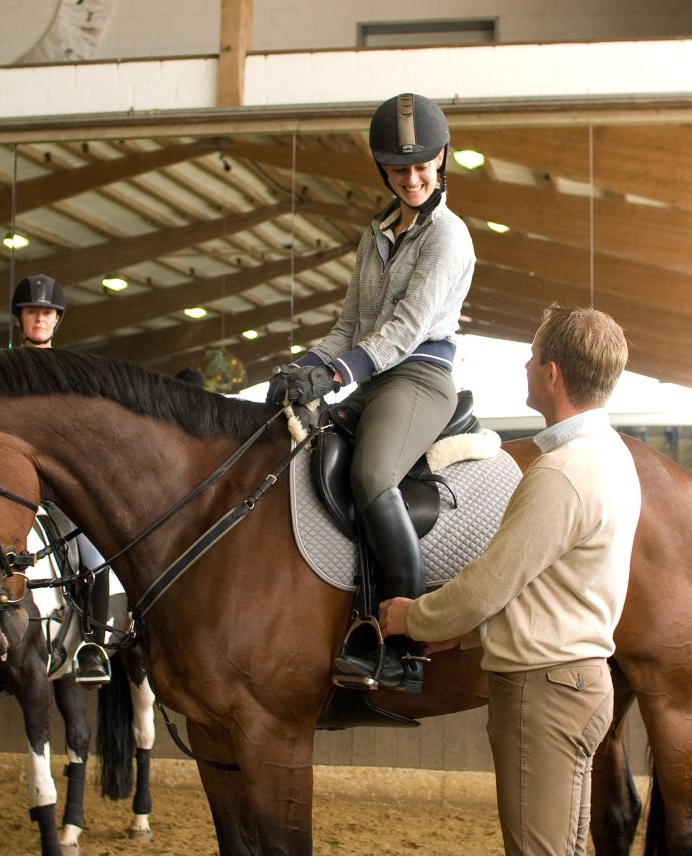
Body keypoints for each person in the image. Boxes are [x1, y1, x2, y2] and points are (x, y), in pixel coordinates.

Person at [381, 305, 641, 856]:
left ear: (552, 375)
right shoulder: (609, 456)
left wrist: (415, 617)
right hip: (576, 681)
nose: (524, 365)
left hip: (543, 691)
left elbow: (488, 584)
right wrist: (466, 636)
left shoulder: (562, 473)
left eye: (531, 355)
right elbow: (545, 588)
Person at [267, 93, 475, 693]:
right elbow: (349, 327)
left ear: (441, 161)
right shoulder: (374, 234)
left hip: (418, 377)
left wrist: (336, 375)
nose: (411, 179)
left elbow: (407, 328)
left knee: (372, 475)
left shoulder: (449, 237)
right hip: (370, 373)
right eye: (398, 169)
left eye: (421, 166)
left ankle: (405, 641)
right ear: (382, 170)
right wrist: (302, 367)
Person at [11, 274, 111, 684]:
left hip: (56, 491)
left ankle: (92, 645)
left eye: (47, 312)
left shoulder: (70, 374)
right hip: (10, 485)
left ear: (57, 321)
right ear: (20, 318)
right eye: (33, 311)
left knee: (95, 555)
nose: (40, 318)